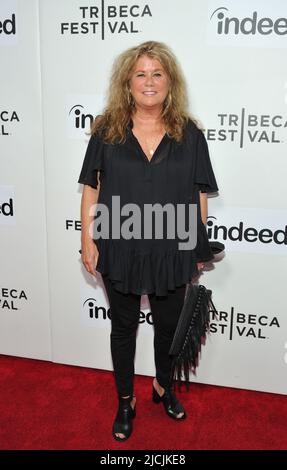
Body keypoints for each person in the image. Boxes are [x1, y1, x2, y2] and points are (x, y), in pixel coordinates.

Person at [78, 40, 218, 441]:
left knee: (168, 327)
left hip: (172, 248)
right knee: (122, 328)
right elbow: (92, 187)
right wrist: (88, 240)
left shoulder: (190, 134)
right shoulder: (106, 130)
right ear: (128, 83)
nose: (149, 81)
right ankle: (126, 400)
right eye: (140, 73)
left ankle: (163, 387)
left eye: (157, 73)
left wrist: (196, 246)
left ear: (169, 82)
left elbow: (199, 195)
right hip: (119, 246)